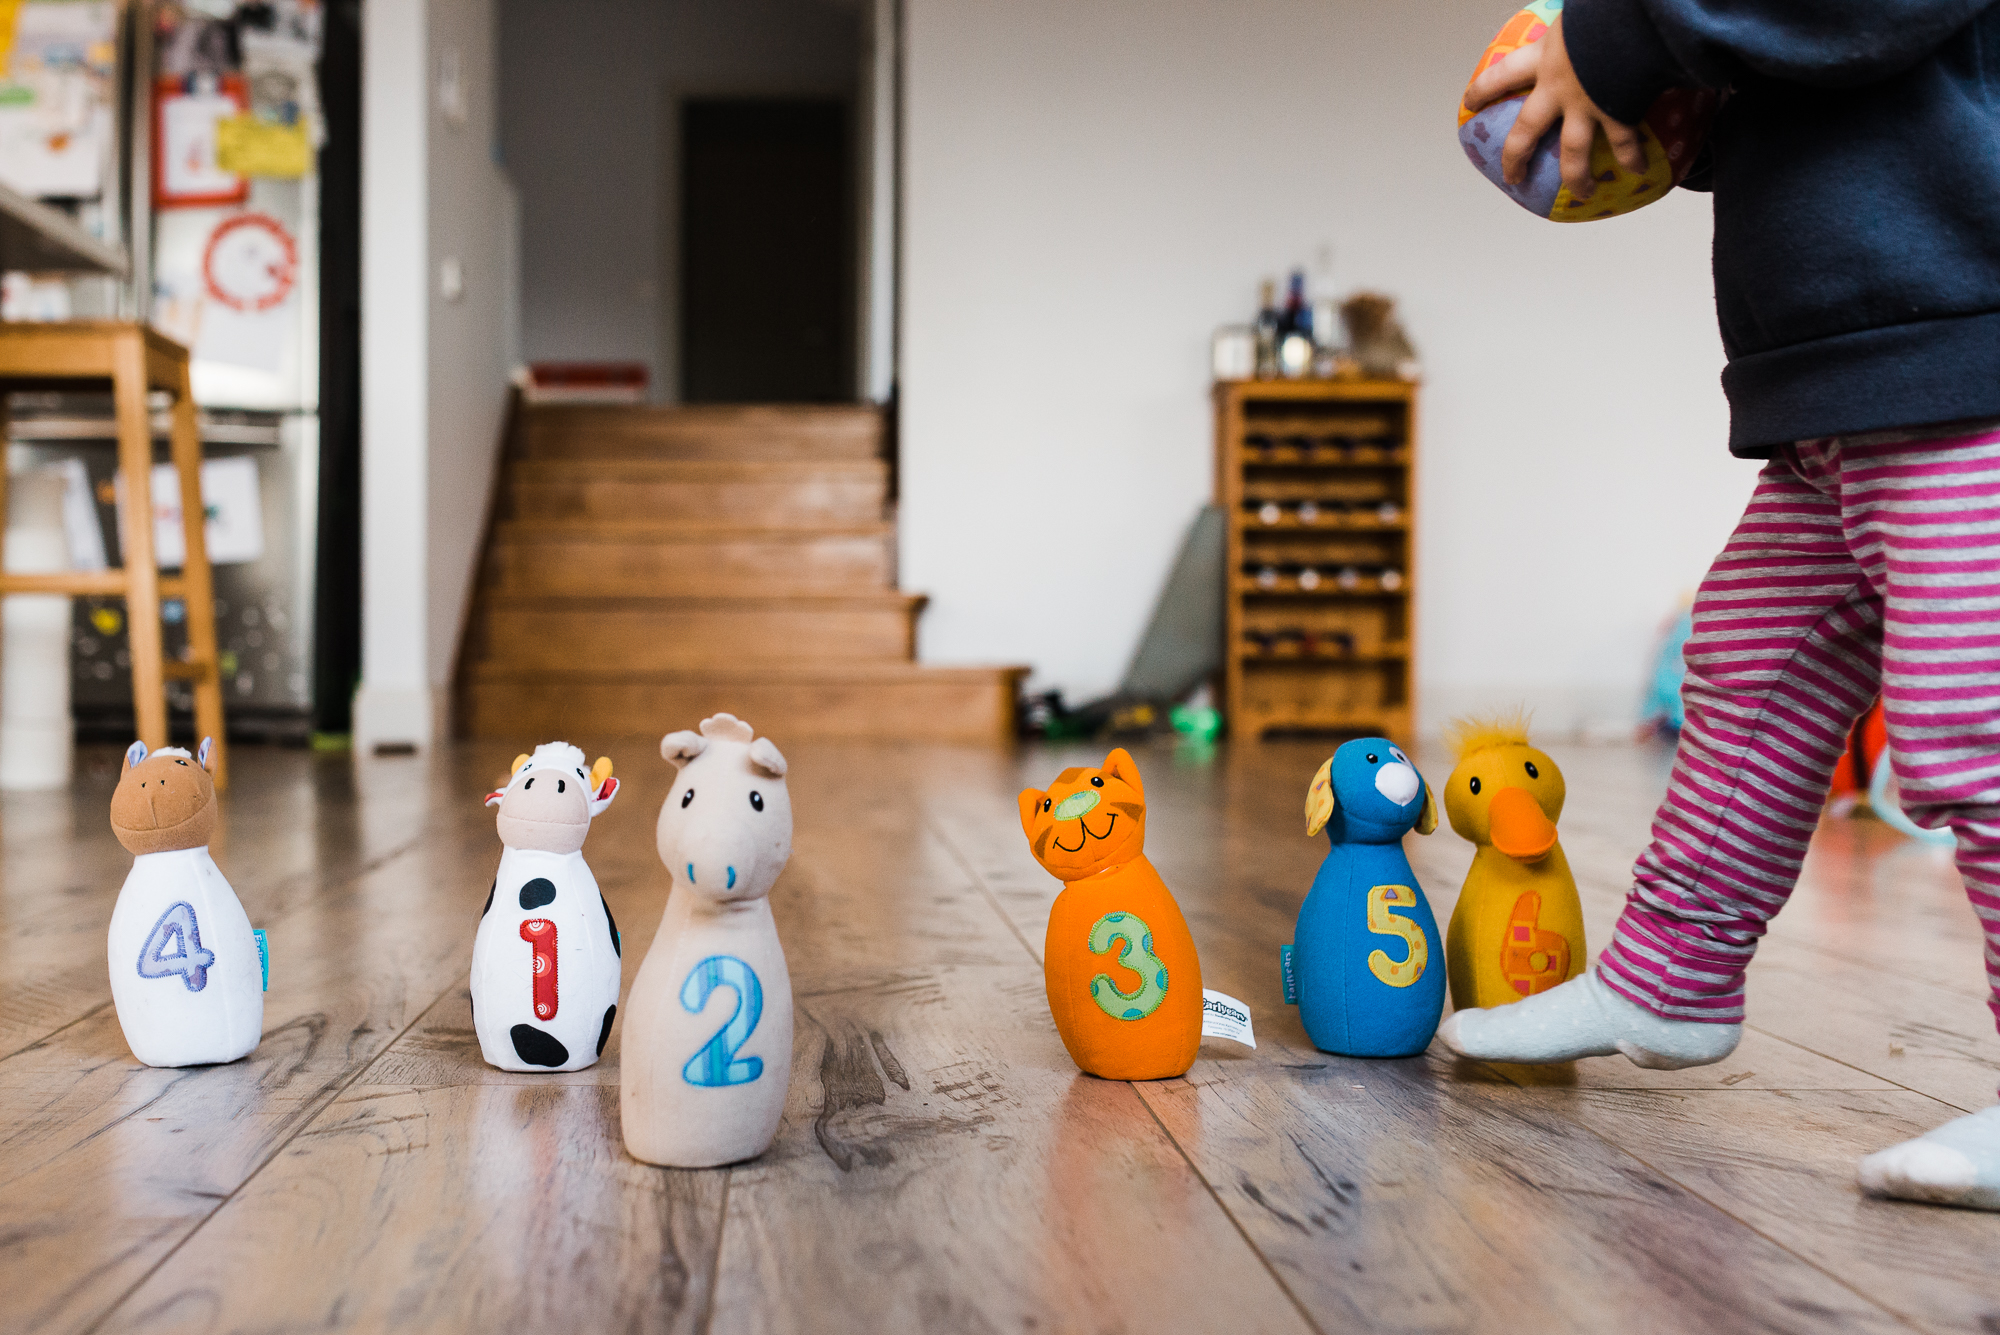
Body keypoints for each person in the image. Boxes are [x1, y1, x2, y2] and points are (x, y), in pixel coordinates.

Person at [1442, 0, 2000, 1212]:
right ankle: (1668, 979)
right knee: (1748, 673)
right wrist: (1680, 118)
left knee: (1971, 724)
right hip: (1841, 378)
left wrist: (1625, 37)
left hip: (1965, 366)